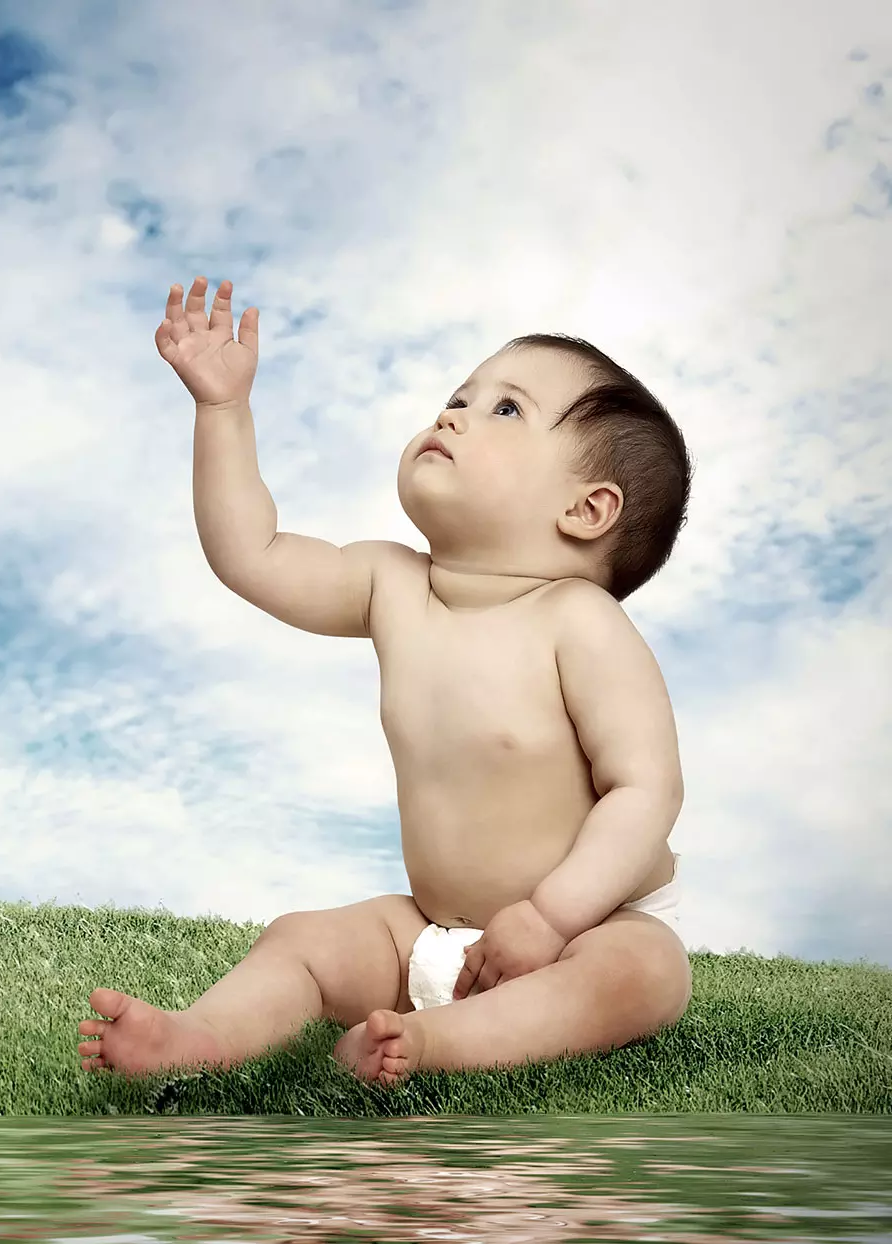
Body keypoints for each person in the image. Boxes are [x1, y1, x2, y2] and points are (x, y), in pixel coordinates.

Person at [78, 275, 694, 1086]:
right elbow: (251, 555)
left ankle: (436, 1044)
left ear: (586, 510)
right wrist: (222, 411)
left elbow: (646, 791)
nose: (453, 414)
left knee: (644, 974)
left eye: (506, 409)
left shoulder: (578, 622)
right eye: (459, 397)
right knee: (300, 939)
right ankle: (196, 1038)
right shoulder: (392, 585)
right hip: (428, 930)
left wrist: (551, 917)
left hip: (587, 927)